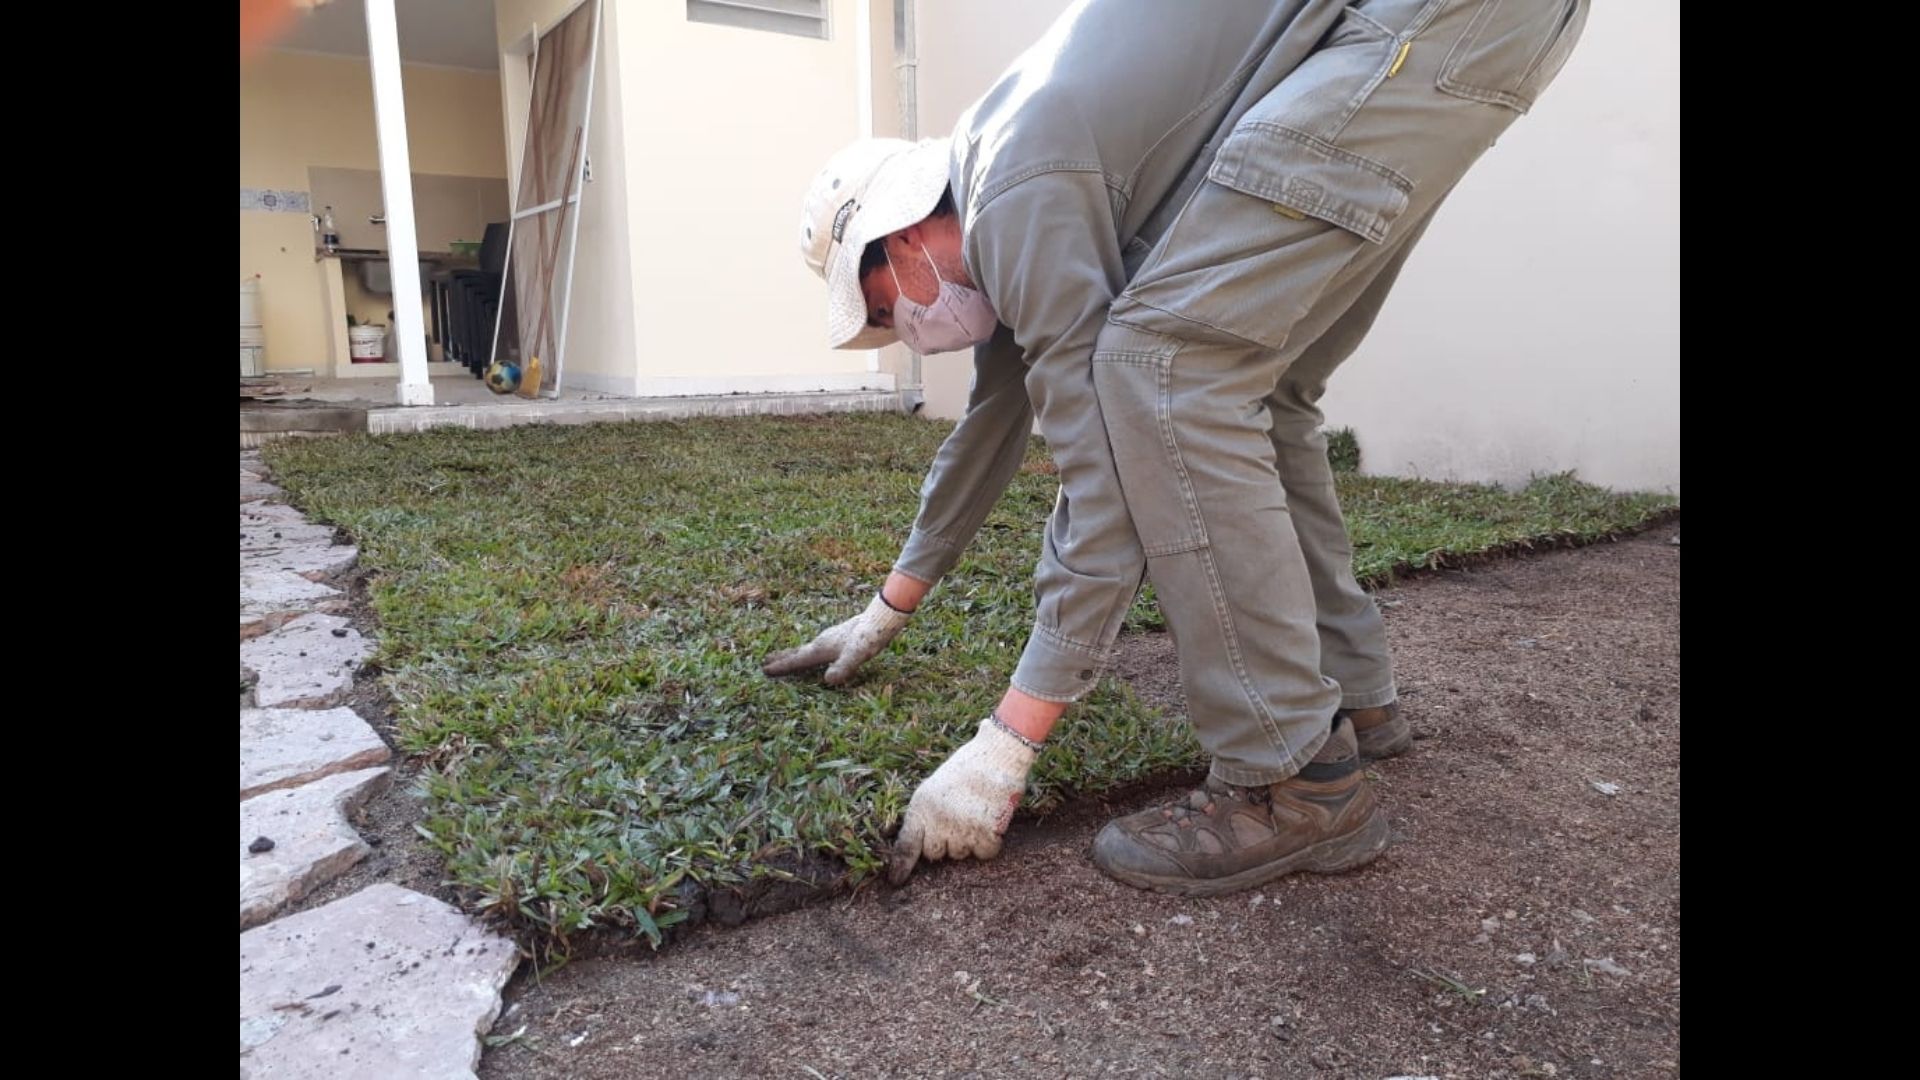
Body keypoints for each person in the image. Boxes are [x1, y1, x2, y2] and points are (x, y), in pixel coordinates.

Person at [771, 0, 1588, 895]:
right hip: (1466, 30)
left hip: (1412, 28)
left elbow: (1103, 488)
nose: (901, 330)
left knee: (1166, 371)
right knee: (1254, 390)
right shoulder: (1001, 175)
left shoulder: (1013, 194)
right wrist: (889, 607)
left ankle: (1293, 782)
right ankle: (1354, 695)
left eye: (885, 307)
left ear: (900, 234)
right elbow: (990, 426)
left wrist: (1005, 743)